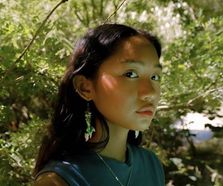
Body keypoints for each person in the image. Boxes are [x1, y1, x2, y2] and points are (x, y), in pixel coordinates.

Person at [33, 23, 164, 186]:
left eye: (155, 77)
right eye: (131, 74)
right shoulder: (58, 181)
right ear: (85, 87)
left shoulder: (151, 164)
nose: (150, 92)